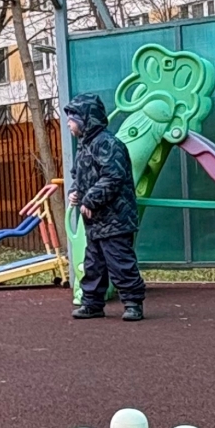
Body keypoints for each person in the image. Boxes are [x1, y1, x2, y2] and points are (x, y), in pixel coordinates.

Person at [65, 92, 145, 321]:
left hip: (116, 218)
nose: (68, 123)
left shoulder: (108, 144)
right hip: (96, 221)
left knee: (120, 261)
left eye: (72, 119)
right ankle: (92, 303)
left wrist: (90, 199)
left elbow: (113, 176)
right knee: (94, 264)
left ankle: (133, 303)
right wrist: (75, 192)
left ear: (85, 120)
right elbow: (79, 176)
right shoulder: (84, 146)